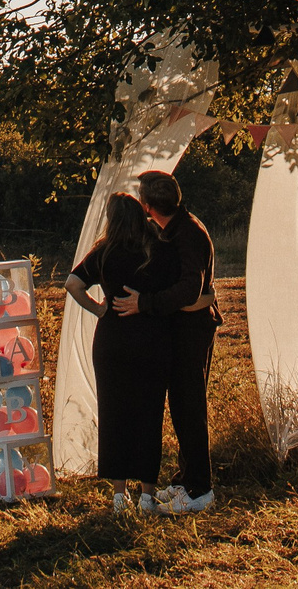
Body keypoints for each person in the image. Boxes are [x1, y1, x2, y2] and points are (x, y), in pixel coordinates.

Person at [64, 191, 170, 510]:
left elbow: (72, 284)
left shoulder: (104, 252)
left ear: (112, 219)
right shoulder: (156, 250)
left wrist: (99, 309)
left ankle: (119, 495)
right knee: (149, 415)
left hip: (112, 341)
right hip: (150, 338)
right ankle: (148, 496)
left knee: (115, 415)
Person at [132, 169, 219, 513]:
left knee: (189, 406)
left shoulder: (187, 234)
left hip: (193, 330)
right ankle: (186, 479)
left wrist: (146, 303)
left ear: (149, 205)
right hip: (184, 327)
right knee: (182, 405)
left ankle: (200, 489)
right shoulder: (176, 228)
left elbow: (190, 289)